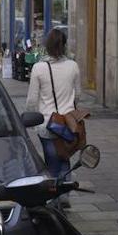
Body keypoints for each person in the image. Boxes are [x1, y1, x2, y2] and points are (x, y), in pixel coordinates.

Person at [26, 29, 80, 205]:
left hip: (47, 124)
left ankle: (55, 196)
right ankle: (64, 194)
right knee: (64, 156)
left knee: (51, 162)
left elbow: (32, 100)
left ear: (46, 46)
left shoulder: (39, 68)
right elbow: (77, 95)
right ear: (64, 45)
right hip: (68, 124)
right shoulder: (73, 66)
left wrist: (30, 119)